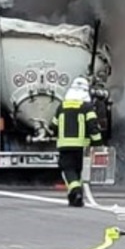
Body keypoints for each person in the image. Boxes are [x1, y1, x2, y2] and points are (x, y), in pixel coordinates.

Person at [50, 76, 103, 207]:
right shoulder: (87, 107)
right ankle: (76, 195)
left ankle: (75, 192)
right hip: (82, 147)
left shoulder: (61, 107)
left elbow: (53, 126)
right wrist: (98, 144)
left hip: (65, 146)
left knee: (68, 170)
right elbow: (93, 127)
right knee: (78, 170)